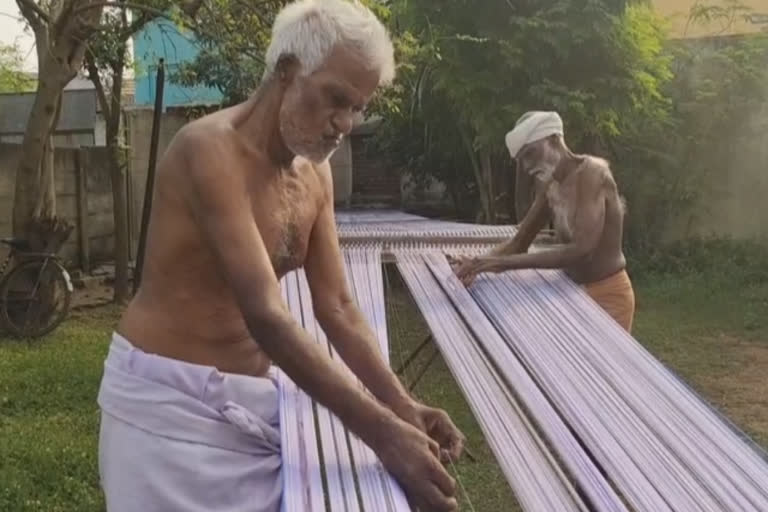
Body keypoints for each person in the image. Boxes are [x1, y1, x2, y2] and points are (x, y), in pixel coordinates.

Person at [97, 1, 465, 511]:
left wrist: (403, 407)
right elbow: (268, 316)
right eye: (336, 98)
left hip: (249, 407)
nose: (345, 123)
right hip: (167, 409)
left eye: (357, 107)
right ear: (288, 71)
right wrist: (381, 432)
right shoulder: (208, 151)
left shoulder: (316, 174)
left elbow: (335, 306)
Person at [452, 111, 635, 333]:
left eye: (531, 154)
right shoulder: (551, 187)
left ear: (554, 139)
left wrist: (500, 264)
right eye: (522, 160)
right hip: (570, 291)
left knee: (601, 366)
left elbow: (583, 250)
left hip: (608, 294)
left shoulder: (593, 174)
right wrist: (477, 263)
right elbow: (518, 244)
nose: (527, 166)